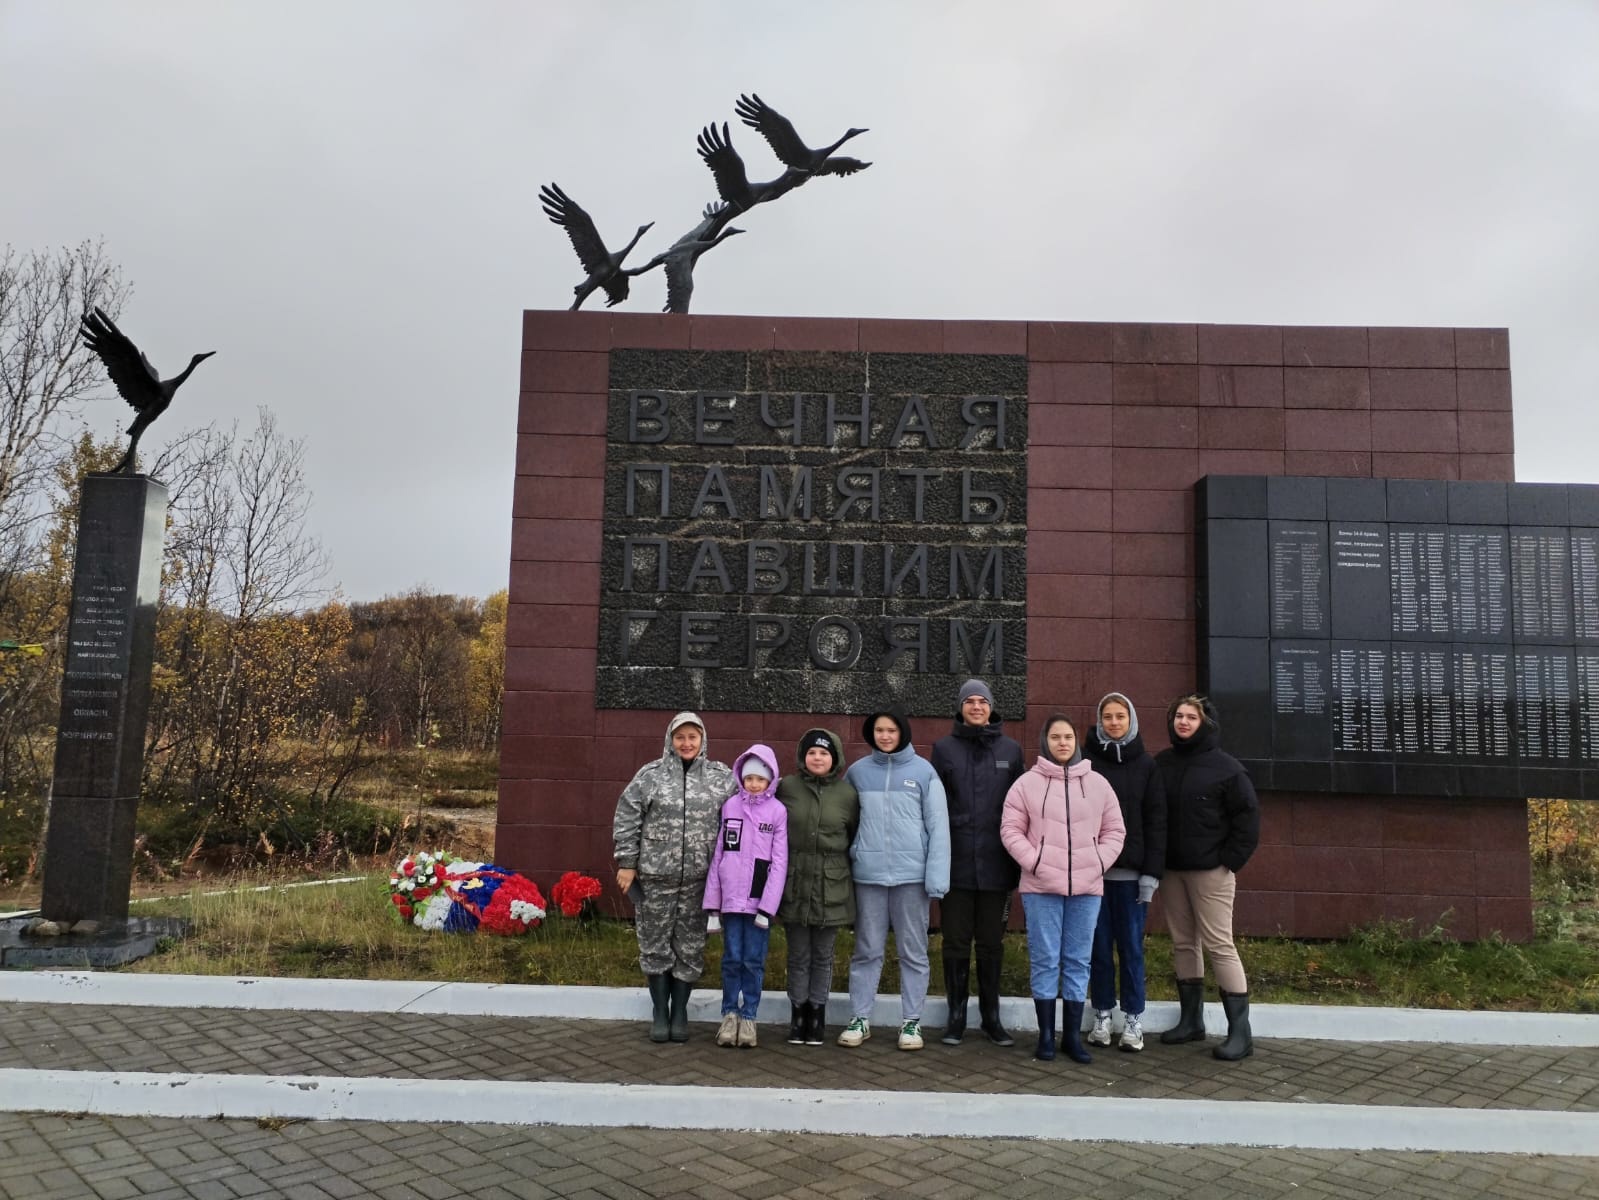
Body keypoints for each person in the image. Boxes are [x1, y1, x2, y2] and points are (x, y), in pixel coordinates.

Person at [1000, 714, 1125, 1064]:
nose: (1062, 743)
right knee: (1045, 960)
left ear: (1076, 741)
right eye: (1055, 737)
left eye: (1068, 736)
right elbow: (1011, 829)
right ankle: (1045, 1037)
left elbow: (1116, 830)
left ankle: (1071, 1037)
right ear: (1045, 742)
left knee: (1077, 960)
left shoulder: (1098, 784)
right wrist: (1036, 862)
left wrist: (1097, 862)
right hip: (1040, 888)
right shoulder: (1027, 784)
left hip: (1087, 888)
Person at [613, 711, 735, 1043]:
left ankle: (680, 1011)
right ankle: (660, 1012)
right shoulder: (650, 776)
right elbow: (627, 816)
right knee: (654, 946)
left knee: (690, 947)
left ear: (703, 740)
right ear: (670, 739)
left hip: (700, 880)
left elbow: (745, 809)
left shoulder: (721, 777)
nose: (686, 743)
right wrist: (627, 862)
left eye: (692, 737)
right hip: (655, 878)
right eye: (680, 737)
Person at [838, 706, 950, 1052]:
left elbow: (938, 827)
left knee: (913, 952)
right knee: (866, 950)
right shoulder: (857, 773)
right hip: (868, 876)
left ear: (903, 733)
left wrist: (936, 879)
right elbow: (844, 822)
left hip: (910, 878)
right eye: (879, 730)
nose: (885, 736)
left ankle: (911, 1022)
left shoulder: (924, 772)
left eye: (891, 730)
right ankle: (860, 1017)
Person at [1155, 694, 1261, 1061]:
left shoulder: (1227, 769)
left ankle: (1241, 1033)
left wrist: (1229, 861)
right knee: (1184, 943)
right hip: (1172, 871)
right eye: (1178, 716)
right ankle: (1191, 1021)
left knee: (1219, 945)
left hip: (1211, 873)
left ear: (1205, 723)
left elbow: (1247, 819)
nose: (1183, 722)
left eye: (1191, 717)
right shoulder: (1163, 764)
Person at [931, 678, 1023, 1047]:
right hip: (954, 865)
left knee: (990, 944)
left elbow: (1021, 808)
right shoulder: (943, 749)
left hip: (997, 866)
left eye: (981, 701)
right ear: (960, 708)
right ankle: (956, 1017)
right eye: (969, 701)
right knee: (954, 943)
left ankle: (991, 1016)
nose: (976, 707)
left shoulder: (1012, 750)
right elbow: (935, 809)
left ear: (991, 706)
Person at [1082, 692, 1167, 1053]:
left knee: (1131, 949)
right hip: (1093, 876)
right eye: (1108, 717)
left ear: (1131, 720)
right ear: (1099, 721)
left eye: (1120, 716)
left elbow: (1156, 822)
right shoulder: (1086, 763)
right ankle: (1102, 1014)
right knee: (1098, 948)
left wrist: (1151, 874)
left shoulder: (1147, 765)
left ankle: (1133, 1019)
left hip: (1132, 877)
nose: (1114, 723)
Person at [775, 728, 859, 1047]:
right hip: (796, 880)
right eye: (812, 753)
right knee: (798, 954)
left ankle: (817, 1014)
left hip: (832, 883)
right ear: (803, 756)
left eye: (824, 753)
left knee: (823, 955)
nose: (818, 758)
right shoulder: (787, 788)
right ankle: (798, 1013)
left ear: (834, 758)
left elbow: (852, 834)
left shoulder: (847, 795)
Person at [704, 744, 788, 1050]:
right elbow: (720, 854)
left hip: (757, 904)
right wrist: (713, 904)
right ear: (741, 777)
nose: (754, 783)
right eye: (749, 777)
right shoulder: (730, 807)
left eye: (760, 778)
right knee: (731, 959)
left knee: (753, 961)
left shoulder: (777, 812)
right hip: (730, 900)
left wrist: (767, 906)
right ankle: (729, 1015)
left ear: (770, 780)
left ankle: (749, 1016)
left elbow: (779, 863)